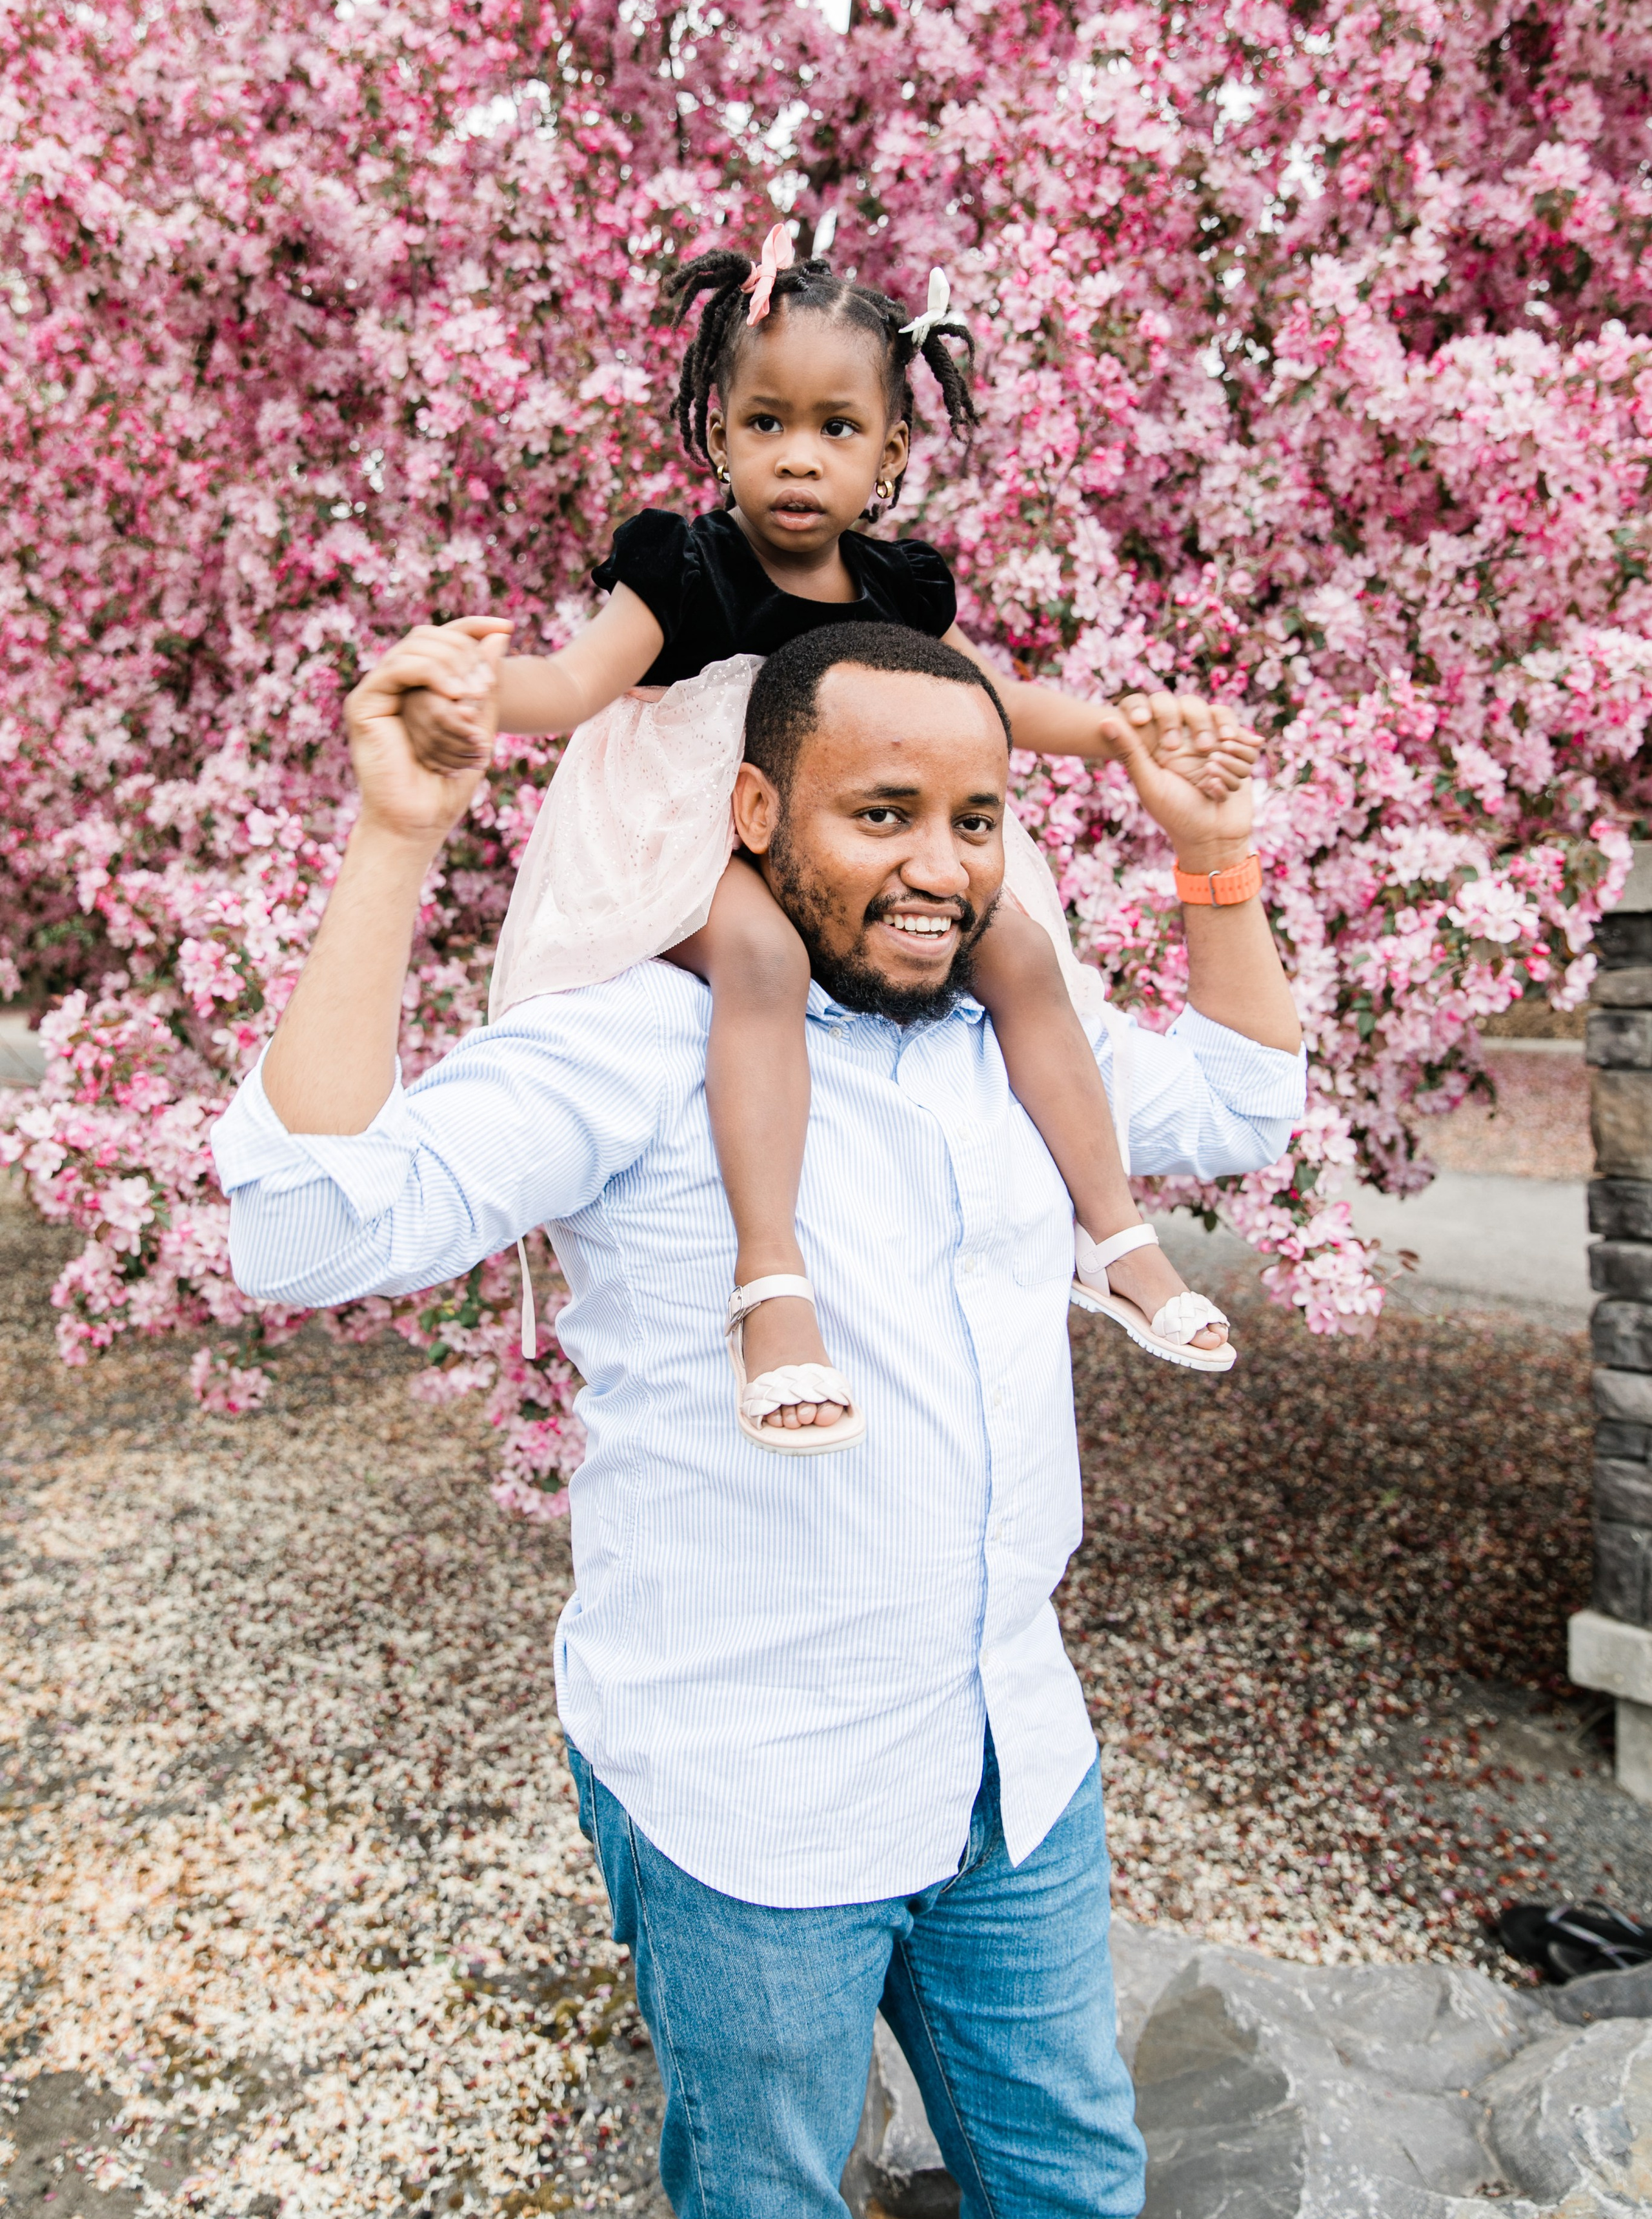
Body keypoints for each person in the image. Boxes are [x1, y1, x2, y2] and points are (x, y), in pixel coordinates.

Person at [212, 616, 1305, 2219]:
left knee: (1073, 2187)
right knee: (771, 2204)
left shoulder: (1010, 1036)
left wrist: (1213, 863)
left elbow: (1238, 1106)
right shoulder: (635, 1047)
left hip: (1015, 1765)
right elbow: (306, 1234)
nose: (939, 867)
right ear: (749, 817)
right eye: (879, 814)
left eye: (976, 819)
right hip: (747, 1802)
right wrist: (394, 841)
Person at [390, 230, 1260, 1445]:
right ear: (721, 433)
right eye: (765, 425)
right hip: (689, 831)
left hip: (848, 832)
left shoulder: (894, 586)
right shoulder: (684, 566)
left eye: (836, 429)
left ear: (891, 449)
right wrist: (487, 697)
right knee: (764, 961)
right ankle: (771, 1281)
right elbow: (578, 685)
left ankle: (1112, 1233)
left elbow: (994, 706)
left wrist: (1117, 735)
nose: (798, 459)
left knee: (1017, 952)